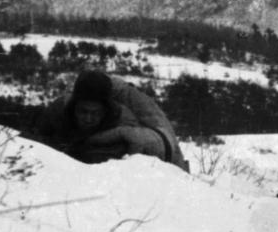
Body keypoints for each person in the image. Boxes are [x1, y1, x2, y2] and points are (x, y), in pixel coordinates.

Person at [34, 70, 189, 171]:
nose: (88, 118)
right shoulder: (59, 109)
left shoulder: (124, 120)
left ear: (105, 111)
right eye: (83, 111)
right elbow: (39, 137)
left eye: (95, 113)